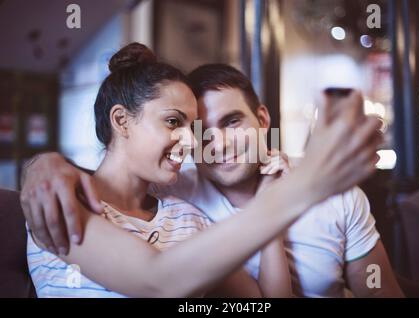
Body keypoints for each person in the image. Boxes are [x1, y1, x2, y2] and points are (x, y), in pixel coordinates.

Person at [21, 44, 395, 297]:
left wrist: (274, 194)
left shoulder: (184, 213)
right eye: (174, 122)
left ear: (263, 119)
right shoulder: (58, 197)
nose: (193, 142)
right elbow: (158, 280)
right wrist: (40, 164)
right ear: (121, 120)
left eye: (193, 126)